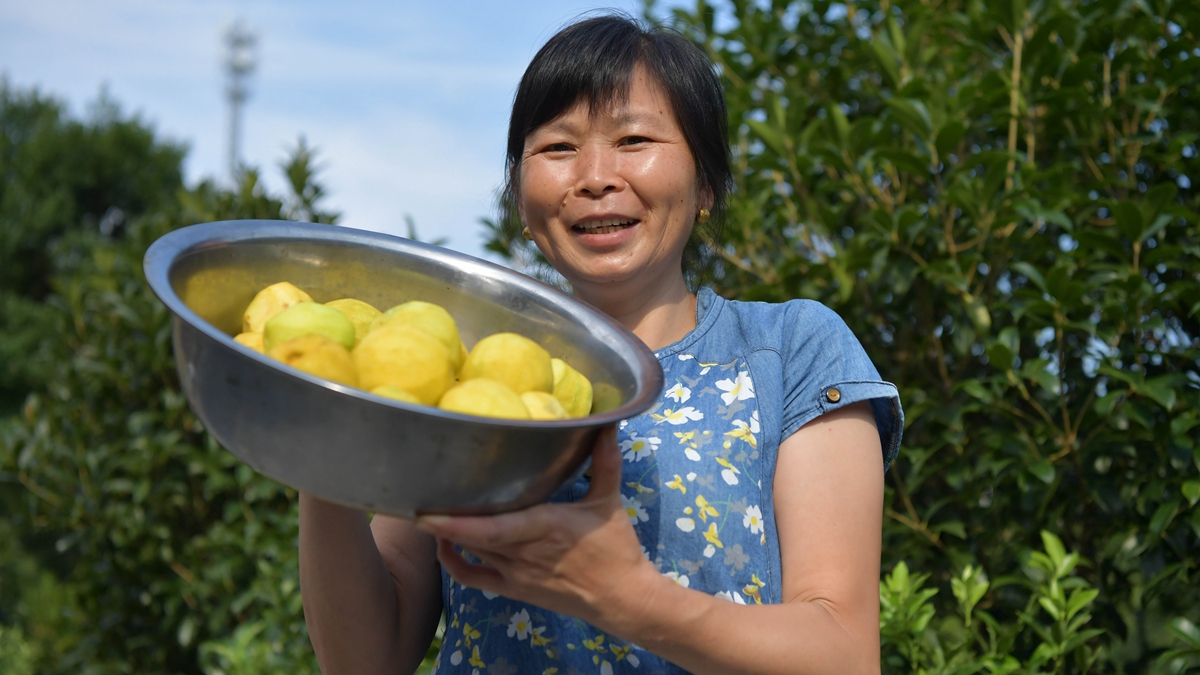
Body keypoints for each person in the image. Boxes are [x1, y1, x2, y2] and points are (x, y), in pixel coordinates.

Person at [299, 14, 902, 675]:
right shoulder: (460, 364)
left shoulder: (791, 350)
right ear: (522, 201)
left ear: (706, 184)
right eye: (558, 148)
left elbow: (844, 654)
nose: (593, 176)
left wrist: (630, 598)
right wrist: (323, 442)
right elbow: (364, 662)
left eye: (634, 139)